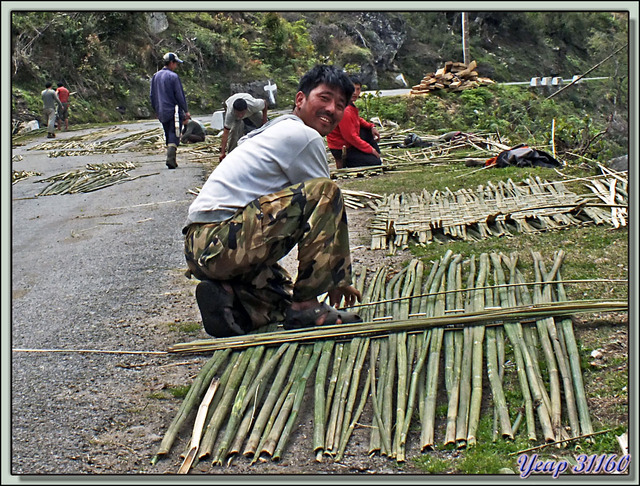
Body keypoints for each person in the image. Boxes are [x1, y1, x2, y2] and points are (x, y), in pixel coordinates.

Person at [183, 65, 363, 338]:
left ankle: (230, 298)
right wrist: (337, 278)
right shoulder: (304, 136)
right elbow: (324, 208)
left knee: (282, 295)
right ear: (300, 99)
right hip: (220, 238)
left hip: (202, 248)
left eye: (340, 104)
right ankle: (308, 309)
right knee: (327, 191)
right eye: (324, 98)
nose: (331, 109)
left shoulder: (273, 129)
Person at [327, 75, 382, 169]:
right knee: (375, 162)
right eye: (353, 89)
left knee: (367, 130)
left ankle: (374, 154)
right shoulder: (344, 109)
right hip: (342, 147)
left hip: (348, 142)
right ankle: (347, 162)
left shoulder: (349, 104)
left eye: (358, 89)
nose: (355, 93)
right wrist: (370, 149)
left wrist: (372, 126)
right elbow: (350, 137)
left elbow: (357, 119)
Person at [150, 52, 190, 169]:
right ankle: (171, 158)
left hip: (161, 110)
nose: (176, 66)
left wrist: (156, 110)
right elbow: (179, 95)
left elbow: (152, 96)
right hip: (173, 110)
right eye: (176, 63)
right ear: (171, 63)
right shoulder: (173, 77)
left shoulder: (155, 76)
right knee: (174, 133)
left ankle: (171, 157)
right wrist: (186, 110)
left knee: (167, 132)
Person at [219, 93, 268, 160]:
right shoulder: (230, 113)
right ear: (235, 111)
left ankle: (267, 146)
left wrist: (264, 119)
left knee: (265, 126)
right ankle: (231, 155)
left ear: (246, 109)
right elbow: (225, 133)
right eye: (238, 113)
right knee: (234, 133)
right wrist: (222, 152)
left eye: (242, 113)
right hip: (230, 103)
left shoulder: (253, 105)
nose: (240, 115)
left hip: (251, 111)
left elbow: (264, 102)